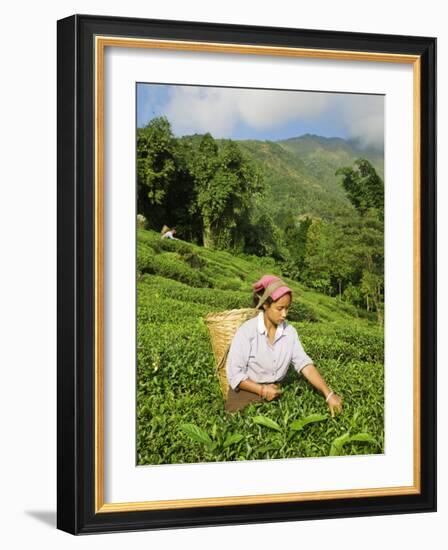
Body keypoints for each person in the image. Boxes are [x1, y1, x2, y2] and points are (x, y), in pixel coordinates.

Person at [225, 275, 343, 415]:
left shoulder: (290, 332)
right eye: (280, 308)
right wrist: (262, 390)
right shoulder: (247, 331)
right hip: (247, 390)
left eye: (287, 308)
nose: (284, 314)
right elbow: (235, 374)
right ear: (265, 305)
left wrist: (328, 394)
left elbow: (305, 365)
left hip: (274, 391)